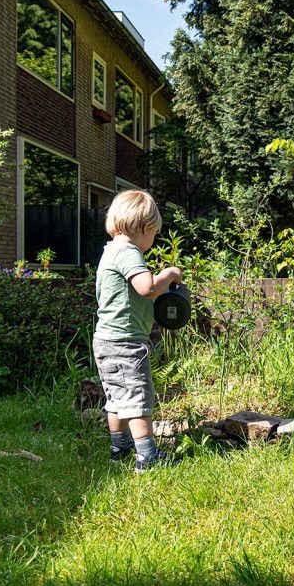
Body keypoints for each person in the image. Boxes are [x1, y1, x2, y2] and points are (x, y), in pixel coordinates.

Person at [93, 189, 182, 472]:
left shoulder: (110, 250)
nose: (152, 242)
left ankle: (119, 447)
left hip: (106, 339)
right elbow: (148, 288)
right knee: (138, 397)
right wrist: (169, 274)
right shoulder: (128, 252)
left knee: (116, 397)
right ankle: (147, 456)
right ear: (144, 228)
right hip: (126, 342)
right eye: (154, 234)